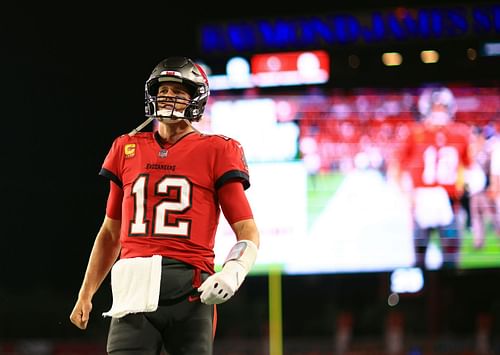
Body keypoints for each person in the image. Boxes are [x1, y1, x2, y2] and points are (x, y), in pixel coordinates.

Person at [69, 56, 260, 355]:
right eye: (164, 90)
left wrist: (233, 271)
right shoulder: (126, 148)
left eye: (179, 91)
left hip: (192, 292)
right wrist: (86, 293)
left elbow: (247, 229)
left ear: (196, 98)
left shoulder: (218, 150)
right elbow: (110, 232)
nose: (169, 97)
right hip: (133, 289)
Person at [390, 86, 471, 269]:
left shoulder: (460, 133)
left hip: (450, 203)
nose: (439, 112)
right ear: (426, 109)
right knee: (419, 260)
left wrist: (462, 190)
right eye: (436, 107)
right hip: (421, 201)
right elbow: (397, 167)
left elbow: (467, 168)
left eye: (442, 107)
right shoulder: (414, 133)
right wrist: (408, 196)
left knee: (451, 262)